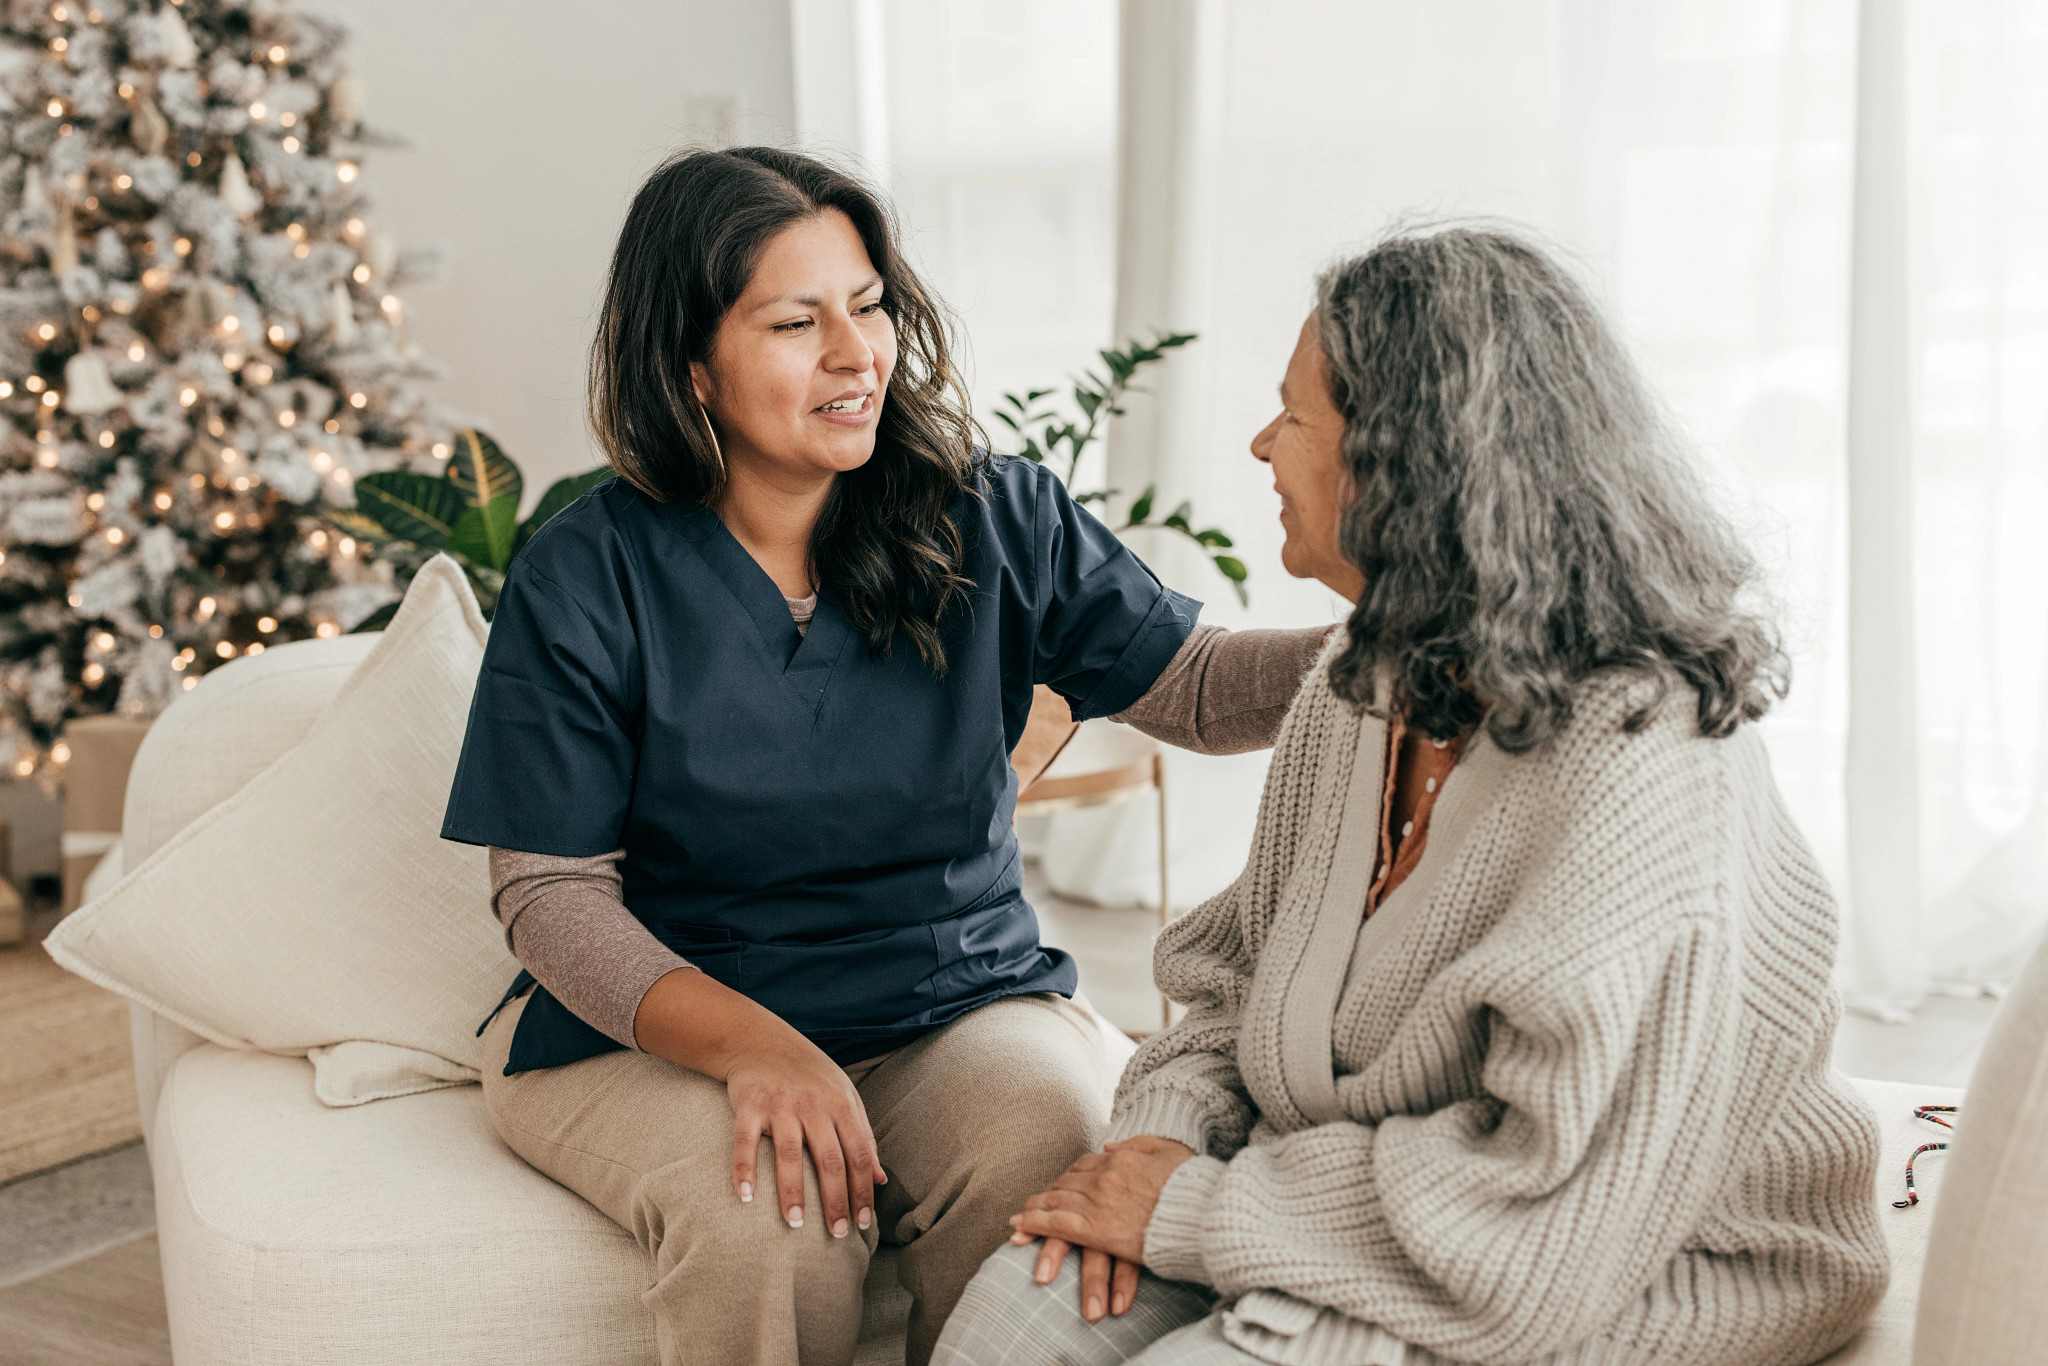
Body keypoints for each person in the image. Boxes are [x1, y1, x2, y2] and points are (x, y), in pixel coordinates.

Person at [437, 146, 1330, 1366]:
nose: (856, 354)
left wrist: (1395, 640)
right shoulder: (586, 571)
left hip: (947, 1002)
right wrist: (759, 1049)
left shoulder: (990, 514)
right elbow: (549, 893)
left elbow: (1198, 685)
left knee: (1040, 1143)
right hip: (665, 1029)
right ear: (689, 366)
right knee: (774, 1218)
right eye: (795, 323)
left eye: (868, 307)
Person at [938, 226, 1889, 1366]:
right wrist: (1160, 1139)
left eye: (1293, 418)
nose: (1260, 444)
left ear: (1410, 462)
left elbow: (1544, 1218)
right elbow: (1236, 986)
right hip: (1338, 1197)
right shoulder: (1365, 676)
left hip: (1609, 1260)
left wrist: (1196, 1209)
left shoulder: (1645, 758)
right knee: (1008, 1318)